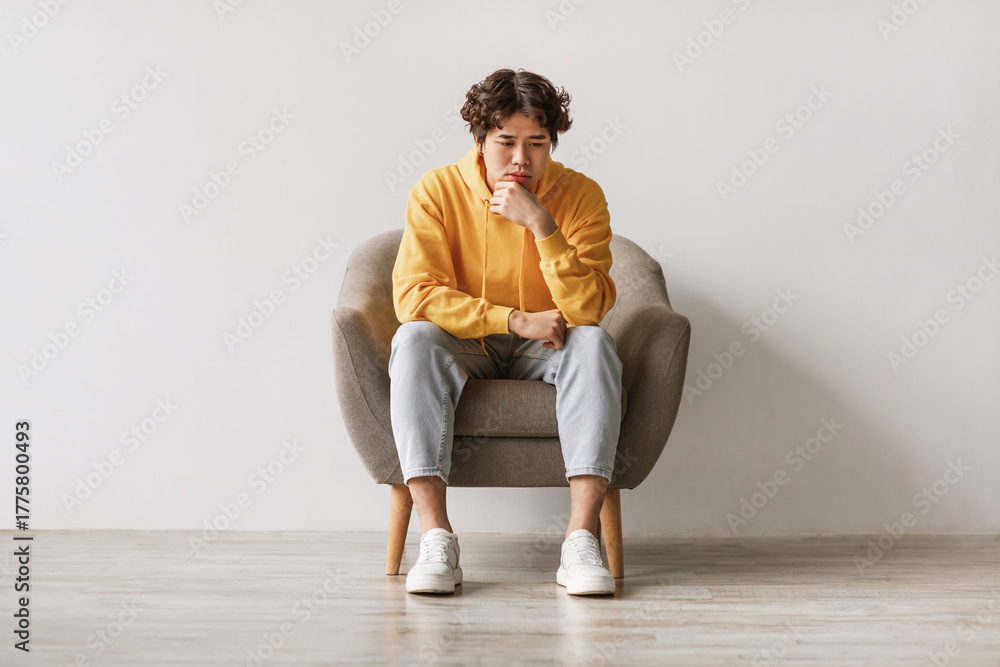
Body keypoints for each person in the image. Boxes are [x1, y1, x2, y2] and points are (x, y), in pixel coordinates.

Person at [389, 68, 623, 596]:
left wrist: (543, 225)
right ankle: (436, 539)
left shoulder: (582, 195)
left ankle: (580, 540)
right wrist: (513, 319)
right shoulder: (437, 191)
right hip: (465, 344)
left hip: (550, 346)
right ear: (479, 139)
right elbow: (415, 297)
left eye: (537, 143)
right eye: (506, 142)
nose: (522, 159)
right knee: (414, 339)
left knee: (595, 343)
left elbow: (588, 309)